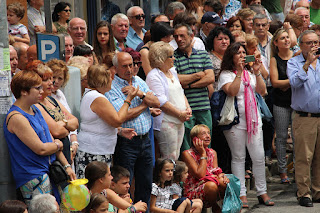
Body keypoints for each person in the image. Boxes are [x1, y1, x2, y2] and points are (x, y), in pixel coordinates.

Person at [3, 70, 76, 206]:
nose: (42, 91)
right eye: (37, 88)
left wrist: (67, 166)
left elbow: (50, 142)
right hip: (32, 176)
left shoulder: (35, 109)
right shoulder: (16, 117)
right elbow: (41, 148)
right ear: (24, 91)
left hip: (50, 171)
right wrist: (58, 145)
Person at [217, 42, 273, 208]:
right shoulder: (226, 74)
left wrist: (256, 72)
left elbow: (261, 91)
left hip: (254, 120)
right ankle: (241, 194)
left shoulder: (250, 72)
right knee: (239, 157)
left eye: (243, 52)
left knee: (258, 156)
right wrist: (239, 73)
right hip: (235, 121)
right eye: (238, 53)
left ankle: (262, 192)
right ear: (231, 56)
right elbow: (232, 91)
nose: (242, 55)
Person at [106, 52, 160, 207]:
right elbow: (122, 116)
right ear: (115, 68)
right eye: (124, 66)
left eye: (132, 64)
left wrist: (140, 94)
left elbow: (156, 102)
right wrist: (144, 105)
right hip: (126, 143)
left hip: (145, 140)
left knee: (146, 184)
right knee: (124, 186)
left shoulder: (139, 82)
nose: (130, 69)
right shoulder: (112, 87)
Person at [75, 64, 138, 178]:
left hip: (99, 150)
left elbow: (101, 122)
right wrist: (128, 100)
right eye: (110, 77)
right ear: (102, 80)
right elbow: (117, 120)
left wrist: (120, 131)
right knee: (95, 189)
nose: (112, 80)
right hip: (94, 151)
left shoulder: (93, 95)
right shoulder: (97, 98)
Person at [287, 30, 320, 207]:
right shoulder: (294, 62)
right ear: (300, 45)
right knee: (303, 157)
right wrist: (307, 64)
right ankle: (304, 193)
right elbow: (294, 82)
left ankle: (317, 191)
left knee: (319, 157)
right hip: (304, 117)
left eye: (316, 42)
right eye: (309, 43)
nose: (313, 46)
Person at [146, 41, 191, 160]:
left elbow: (180, 92)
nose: (174, 58)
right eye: (170, 56)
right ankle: (167, 179)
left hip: (180, 120)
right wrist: (179, 114)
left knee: (176, 155)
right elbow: (160, 101)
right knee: (169, 157)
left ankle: (174, 178)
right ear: (161, 58)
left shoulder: (173, 72)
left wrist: (187, 108)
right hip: (167, 121)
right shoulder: (154, 75)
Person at [173, 23, 214, 152]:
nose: (179, 39)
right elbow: (176, 79)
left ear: (191, 36)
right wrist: (198, 75)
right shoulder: (173, 57)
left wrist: (189, 85)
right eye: (176, 36)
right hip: (185, 109)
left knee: (206, 142)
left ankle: (207, 170)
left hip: (203, 106)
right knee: (187, 145)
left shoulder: (203, 54)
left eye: (182, 36)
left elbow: (210, 78)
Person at [33, 62, 79, 165]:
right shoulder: (35, 105)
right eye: (46, 80)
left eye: (51, 79)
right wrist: (68, 126)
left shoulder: (51, 100)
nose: (52, 82)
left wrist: (63, 123)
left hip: (65, 149)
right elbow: (56, 132)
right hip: (54, 158)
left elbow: (75, 122)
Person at [181, 124, 229, 212]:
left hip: (211, 183)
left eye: (208, 133)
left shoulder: (212, 152)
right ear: (195, 139)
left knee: (224, 182)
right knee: (211, 185)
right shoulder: (187, 154)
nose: (207, 136)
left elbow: (216, 171)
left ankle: (220, 206)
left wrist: (222, 175)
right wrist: (203, 154)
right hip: (194, 189)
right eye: (203, 134)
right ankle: (215, 206)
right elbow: (200, 175)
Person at [269, 28, 293, 185]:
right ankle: (283, 171)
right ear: (276, 43)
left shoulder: (296, 56)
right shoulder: (274, 59)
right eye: (282, 38)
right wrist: (293, 81)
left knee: (298, 139)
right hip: (280, 102)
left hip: (297, 102)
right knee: (282, 137)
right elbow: (275, 83)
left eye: (287, 37)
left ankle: (297, 168)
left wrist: (286, 83)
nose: (286, 40)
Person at [46, 59, 79, 162]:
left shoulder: (60, 94)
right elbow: (55, 129)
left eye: (60, 78)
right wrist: (67, 123)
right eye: (53, 77)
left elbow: (73, 121)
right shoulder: (44, 97)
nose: (56, 81)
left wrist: (74, 142)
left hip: (68, 143)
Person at [206, 26, 234, 91]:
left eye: (226, 39)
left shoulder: (234, 57)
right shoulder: (207, 58)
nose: (224, 42)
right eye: (220, 39)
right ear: (212, 41)